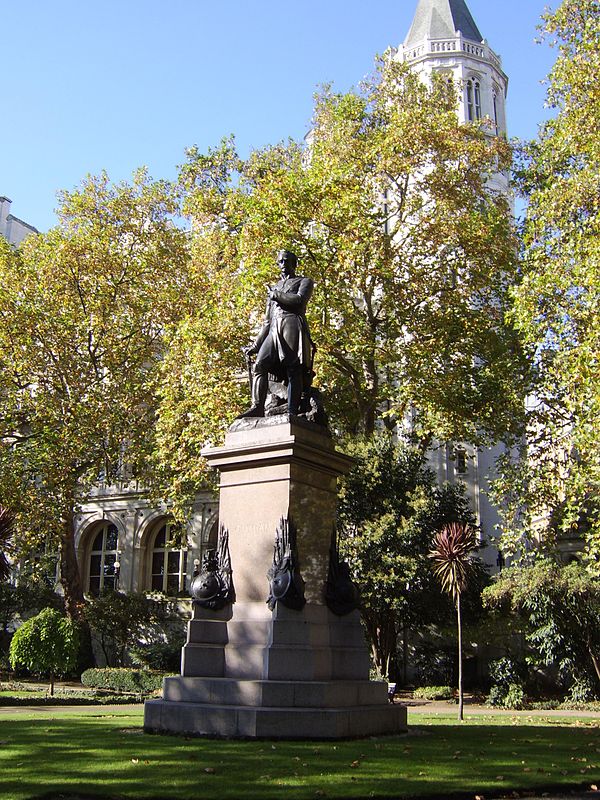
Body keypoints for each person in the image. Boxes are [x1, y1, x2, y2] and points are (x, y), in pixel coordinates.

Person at [239, 250, 314, 418]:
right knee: (260, 364)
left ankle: (292, 411)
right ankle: (257, 406)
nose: (283, 265)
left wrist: (275, 295)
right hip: (274, 328)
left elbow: (299, 300)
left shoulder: (304, 281)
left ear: (294, 264)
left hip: (292, 324)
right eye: (280, 262)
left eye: (286, 261)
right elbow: (267, 320)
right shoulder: (274, 288)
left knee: (293, 367)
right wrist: (256, 345)